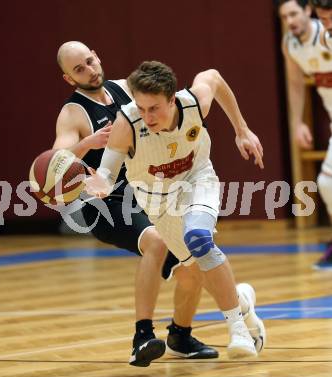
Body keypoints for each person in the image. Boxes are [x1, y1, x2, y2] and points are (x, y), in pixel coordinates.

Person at [54, 41, 221, 367]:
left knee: (194, 261)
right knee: (156, 243)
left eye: (90, 61)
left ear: (97, 56)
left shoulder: (126, 90)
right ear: (68, 79)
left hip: (145, 194)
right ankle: (142, 335)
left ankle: (181, 335)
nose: (90, 70)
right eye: (79, 69)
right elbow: (56, 159)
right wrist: (90, 142)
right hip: (103, 203)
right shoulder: (72, 113)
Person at [84, 60, 266, 358]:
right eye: (140, 108)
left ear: (172, 98)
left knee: (200, 240)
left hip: (197, 179)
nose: (146, 116)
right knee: (196, 268)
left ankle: (238, 329)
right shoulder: (127, 123)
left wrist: (242, 129)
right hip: (157, 201)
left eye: (153, 108)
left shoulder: (193, 103)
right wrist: (99, 184)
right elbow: (106, 172)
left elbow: (214, 76)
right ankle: (243, 302)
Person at [278, 0, 332, 270]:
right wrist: (298, 122)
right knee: (327, 184)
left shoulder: (327, 35)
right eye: (285, 16)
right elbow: (296, 84)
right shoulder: (291, 45)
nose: (290, 20)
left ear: (308, 11)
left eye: (294, 14)